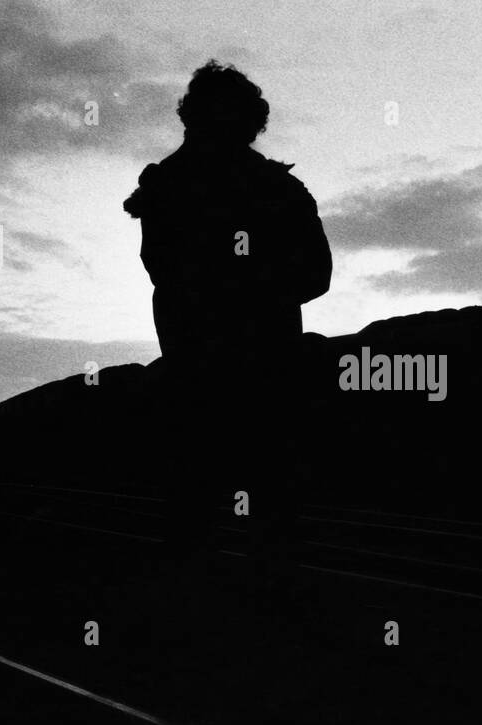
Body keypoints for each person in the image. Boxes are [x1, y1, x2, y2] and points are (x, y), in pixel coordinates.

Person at [123, 60, 331, 576]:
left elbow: (164, 269)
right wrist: (259, 293)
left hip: (204, 358)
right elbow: (315, 273)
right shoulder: (273, 187)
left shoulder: (166, 184)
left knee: (200, 485)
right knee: (262, 483)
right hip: (255, 357)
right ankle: (257, 587)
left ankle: (200, 591)